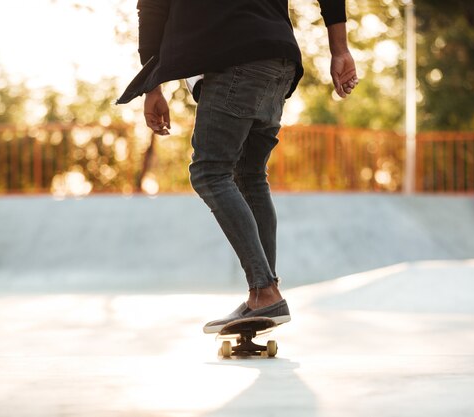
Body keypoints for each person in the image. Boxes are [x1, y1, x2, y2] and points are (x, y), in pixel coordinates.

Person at [120, 0, 358, 333]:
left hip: (231, 57)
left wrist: (152, 86)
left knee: (209, 172)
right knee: (249, 176)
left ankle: (265, 292)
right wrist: (340, 50)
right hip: (279, 59)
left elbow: (153, 7)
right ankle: (266, 294)